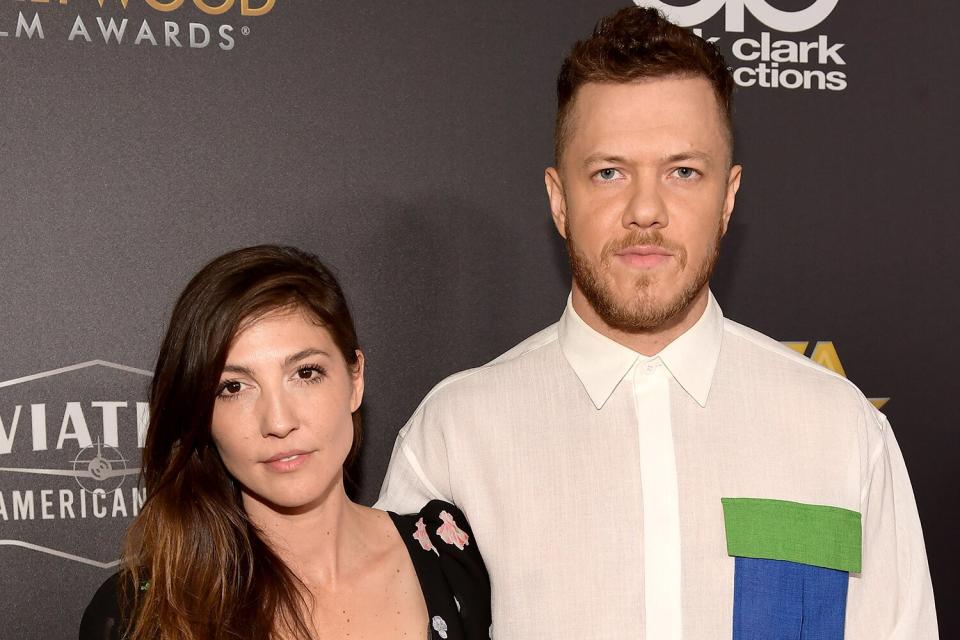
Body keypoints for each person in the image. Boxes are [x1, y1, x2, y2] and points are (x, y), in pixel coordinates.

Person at [376, 6, 938, 639]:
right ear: (560, 200)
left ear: (727, 198)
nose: (646, 210)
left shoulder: (841, 429)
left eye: (683, 172)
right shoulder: (453, 438)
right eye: (609, 172)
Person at [80, 245, 490, 640]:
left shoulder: (451, 560)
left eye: (306, 373)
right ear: (202, 416)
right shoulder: (137, 616)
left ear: (355, 379)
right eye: (234, 387)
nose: (278, 421)